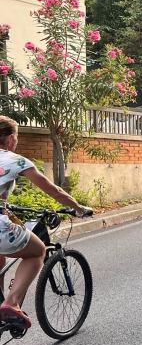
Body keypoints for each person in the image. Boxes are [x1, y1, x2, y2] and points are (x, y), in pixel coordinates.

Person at [0, 116, 91, 330]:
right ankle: (11, 304)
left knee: (1, 257)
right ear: (11, 138)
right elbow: (53, 190)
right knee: (37, 251)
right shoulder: (15, 160)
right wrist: (79, 208)